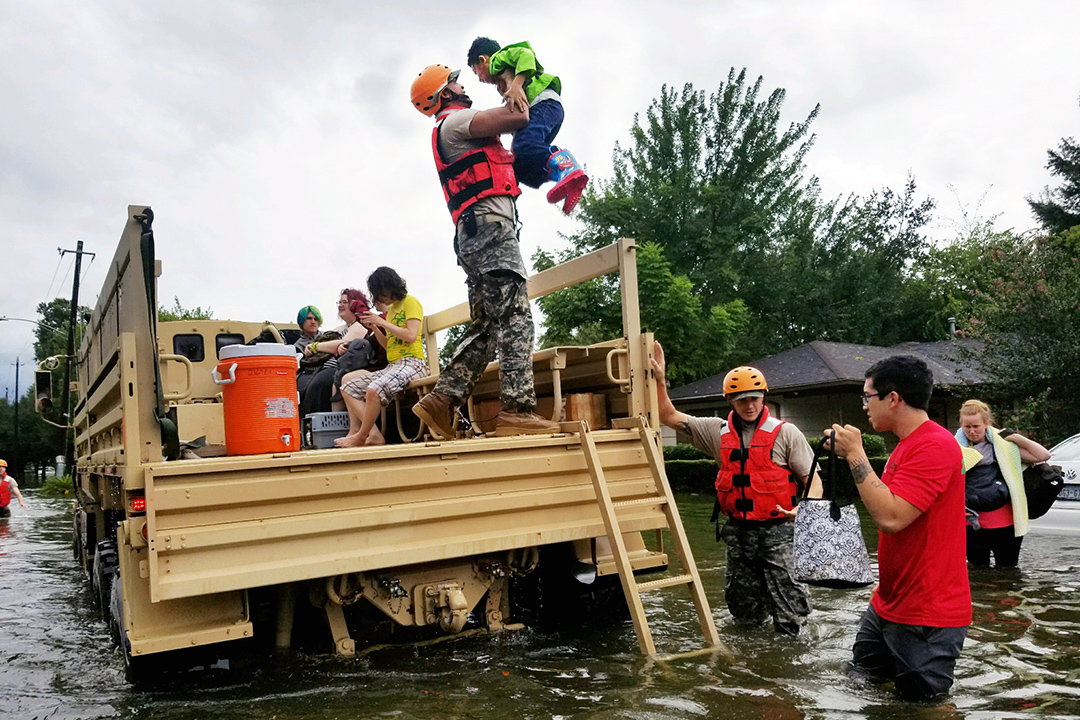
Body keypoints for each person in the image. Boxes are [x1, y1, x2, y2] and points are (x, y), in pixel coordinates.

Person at [408, 64, 559, 440]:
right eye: (456, 81)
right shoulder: (456, 122)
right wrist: (514, 82)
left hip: (475, 234)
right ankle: (517, 411)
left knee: (488, 326)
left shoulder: (449, 127)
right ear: (445, 94)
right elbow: (519, 115)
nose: (465, 85)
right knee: (516, 316)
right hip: (490, 232)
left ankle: (441, 400)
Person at [651, 342, 821, 635]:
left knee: (790, 611)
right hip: (739, 534)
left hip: (780, 532)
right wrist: (659, 380)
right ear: (730, 401)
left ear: (764, 397)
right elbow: (668, 416)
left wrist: (804, 508)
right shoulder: (715, 431)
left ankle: (790, 664)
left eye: (754, 398)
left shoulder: (786, 433)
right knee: (743, 612)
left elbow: (813, 480)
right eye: (742, 400)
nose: (750, 405)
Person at [827, 355, 969, 702]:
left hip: (927, 614)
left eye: (867, 397)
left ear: (893, 398)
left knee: (923, 707)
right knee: (862, 685)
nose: (864, 406)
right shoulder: (907, 444)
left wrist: (855, 455)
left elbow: (892, 518)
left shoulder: (934, 445)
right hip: (889, 602)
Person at [466, 37, 588, 214]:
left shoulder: (498, 59)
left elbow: (526, 54)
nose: (479, 79)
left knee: (524, 145)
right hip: (548, 111)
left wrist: (516, 84)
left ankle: (566, 165)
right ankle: (565, 178)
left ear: (483, 59)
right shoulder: (503, 76)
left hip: (543, 104)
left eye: (477, 72)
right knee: (521, 164)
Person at [335, 268, 429, 448]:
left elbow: (410, 335)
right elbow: (388, 346)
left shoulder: (411, 302)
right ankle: (374, 435)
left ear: (389, 286)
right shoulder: (392, 310)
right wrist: (376, 328)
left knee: (374, 389)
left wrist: (382, 322)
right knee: (348, 387)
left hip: (413, 362)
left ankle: (360, 436)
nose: (379, 298)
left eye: (379, 292)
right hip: (395, 365)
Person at [955, 399, 1051, 568]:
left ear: (986, 423)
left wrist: (1015, 437)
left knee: (1008, 571)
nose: (972, 431)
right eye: (967, 427)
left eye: (976, 426)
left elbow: (1043, 455)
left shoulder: (1003, 446)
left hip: (1005, 521)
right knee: (977, 572)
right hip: (970, 522)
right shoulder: (954, 449)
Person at [298, 289, 382, 417]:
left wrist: (315, 346)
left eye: (345, 302)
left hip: (338, 368)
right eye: (340, 302)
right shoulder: (338, 329)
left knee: (319, 385)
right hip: (320, 368)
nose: (341, 305)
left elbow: (343, 343)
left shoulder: (359, 326)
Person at [294, 305, 323, 398]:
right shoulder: (297, 347)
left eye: (316, 319)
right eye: (309, 318)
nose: (313, 322)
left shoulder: (328, 337)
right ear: (302, 321)